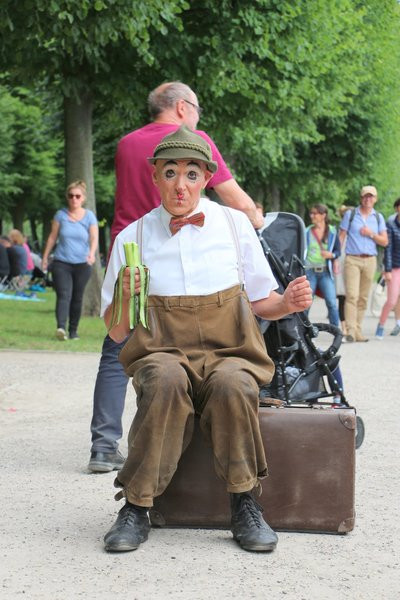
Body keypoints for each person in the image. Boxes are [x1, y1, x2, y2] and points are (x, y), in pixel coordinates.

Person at [101, 126, 312, 554]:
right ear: (155, 176)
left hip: (230, 349)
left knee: (234, 384)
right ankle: (137, 507)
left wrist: (287, 303)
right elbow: (117, 331)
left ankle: (244, 503)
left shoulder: (235, 226)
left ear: (206, 178)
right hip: (161, 351)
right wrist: (124, 292)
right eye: (171, 172)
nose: (181, 184)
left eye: (192, 174)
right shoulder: (132, 238)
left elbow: (261, 302)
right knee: (163, 380)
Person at [88, 81, 265, 473]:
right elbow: (231, 194)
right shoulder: (194, 141)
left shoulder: (127, 143)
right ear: (183, 108)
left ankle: (102, 444)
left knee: (117, 351)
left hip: (133, 247)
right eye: (197, 108)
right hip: (166, 245)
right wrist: (255, 218)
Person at [41, 180, 98, 341]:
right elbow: (52, 238)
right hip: (61, 262)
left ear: (83, 198)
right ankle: (61, 328)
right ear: (67, 197)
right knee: (64, 294)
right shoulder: (60, 215)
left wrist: (92, 254)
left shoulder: (89, 216)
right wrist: (45, 257)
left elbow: (94, 237)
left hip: (82, 264)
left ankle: (73, 331)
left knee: (77, 297)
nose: (74, 199)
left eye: (77, 196)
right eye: (71, 196)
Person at [339, 186, 388, 342]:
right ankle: (351, 332)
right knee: (352, 296)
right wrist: (335, 258)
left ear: (375, 199)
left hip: (370, 260)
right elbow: (341, 237)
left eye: (371, 196)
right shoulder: (350, 214)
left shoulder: (378, 217)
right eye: (365, 196)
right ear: (361, 198)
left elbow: (385, 241)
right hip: (352, 259)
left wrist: (371, 234)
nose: (368, 199)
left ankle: (358, 330)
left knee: (363, 297)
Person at [305, 204, 341, 327]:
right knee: (306, 303)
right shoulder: (307, 231)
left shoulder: (332, 231)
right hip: (310, 270)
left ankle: (336, 330)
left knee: (331, 302)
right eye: (311, 213)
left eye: (315, 213)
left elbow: (338, 251)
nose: (312, 216)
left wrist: (331, 255)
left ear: (323, 215)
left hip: (325, 271)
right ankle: (302, 332)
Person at [375, 197, 400, 339]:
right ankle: (381, 325)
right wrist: (388, 269)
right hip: (395, 268)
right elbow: (388, 249)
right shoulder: (390, 225)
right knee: (391, 300)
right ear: (397, 208)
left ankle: (398, 323)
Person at [334, 205, 354, 335]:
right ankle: (344, 327)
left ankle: (351, 326)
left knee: (351, 297)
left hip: (351, 268)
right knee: (343, 297)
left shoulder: (355, 235)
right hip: (341, 267)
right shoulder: (339, 235)